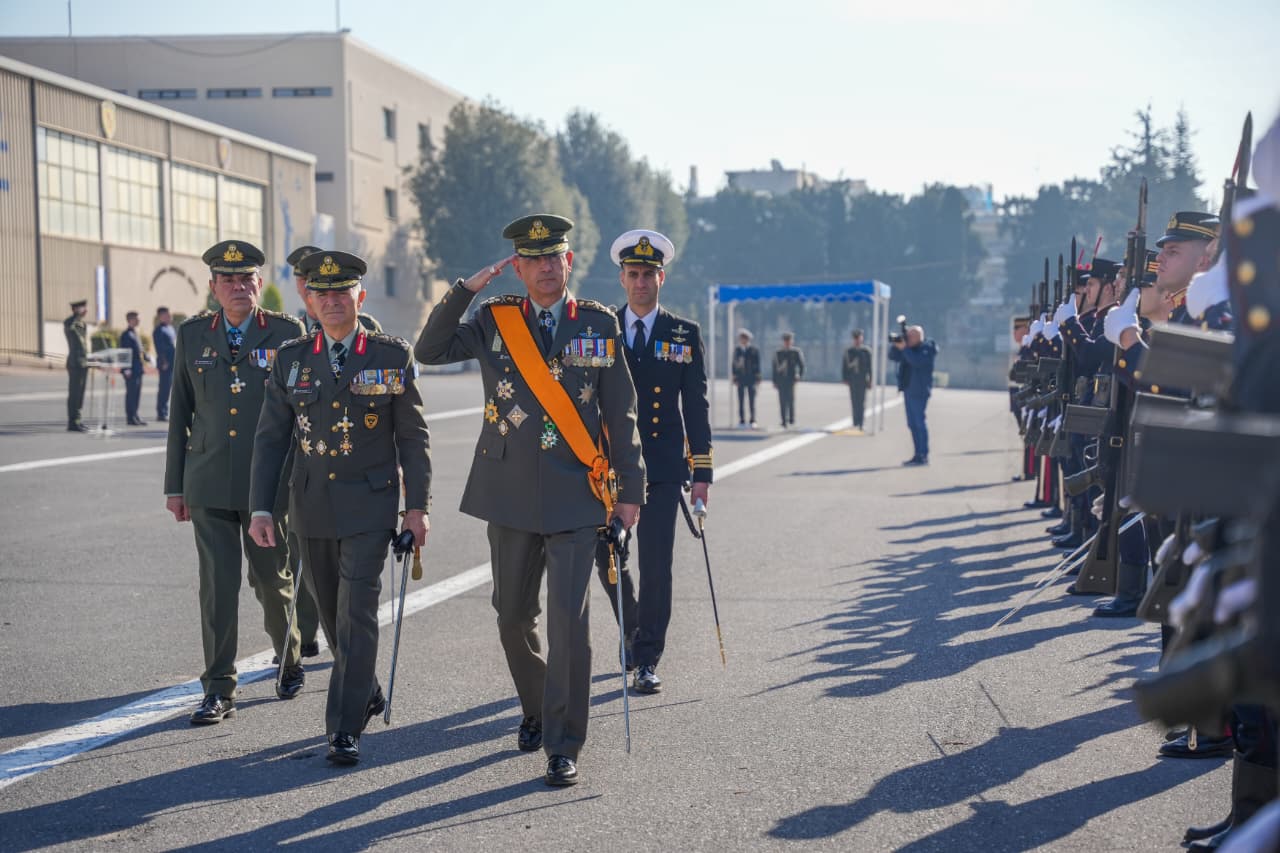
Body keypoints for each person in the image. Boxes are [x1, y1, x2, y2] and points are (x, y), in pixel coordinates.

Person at [415, 213, 645, 788]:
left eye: (554, 257)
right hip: (509, 491)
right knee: (513, 617)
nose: (545, 267)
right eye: (533, 259)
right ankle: (539, 706)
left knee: (570, 622)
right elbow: (430, 349)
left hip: (577, 496)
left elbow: (621, 409)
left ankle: (564, 743)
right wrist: (466, 290)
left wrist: (630, 493)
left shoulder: (597, 323)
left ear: (570, 263)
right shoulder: (494, 320)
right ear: (516, 268)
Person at [249, 250, 430, 766]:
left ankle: (344, 727)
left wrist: (417, 508)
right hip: (311, 506)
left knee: (355, 612)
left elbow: (413, 438)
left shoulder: (391, 355)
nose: (331, 302)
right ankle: (365, 687)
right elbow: (270, 440)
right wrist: (262, 508)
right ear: (309, 299)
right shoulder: (292, 359)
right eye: (321, 293)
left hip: (371, 506)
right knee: (331, 617)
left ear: (360, 297)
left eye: (341, 292)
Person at [163, 240, 306, 726]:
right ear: (213, 288)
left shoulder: (288, 333)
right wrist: (174, 486)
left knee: (270, 580)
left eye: (246, 279)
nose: (238, 288)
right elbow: (179, 410)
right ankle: (218, 688)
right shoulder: (193, 335)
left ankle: (288, 655)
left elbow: (301, 413)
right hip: (207, 480)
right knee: (217, 588)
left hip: (267, 485)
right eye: (228, 280)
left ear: (259, 285)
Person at [593, 229, 712, 695]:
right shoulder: (599, 329)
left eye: (648, 274)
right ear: (622, 279)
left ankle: (646, 657)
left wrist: (701, 473)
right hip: (607, 466)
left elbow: (696, 407)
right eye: (633, 274)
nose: (641, 282)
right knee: (606, 555)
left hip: (662, 467)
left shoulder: (683, 334)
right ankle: (633, 623)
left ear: (661, 278)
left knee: (656, 565)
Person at [288, 245, 383, 334]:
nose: (307, 286)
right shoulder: (288, 331)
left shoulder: (368, 326)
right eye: (304, 279)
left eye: (341, 292)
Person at [888, 325, 938, 465]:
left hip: (919, 391)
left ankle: (923, 454)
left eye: (910, 336)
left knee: (919, 422)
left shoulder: (927, 348)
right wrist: (897, 344)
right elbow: (892, 356)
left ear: (918, 337)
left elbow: (917, 361)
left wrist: (905, 348)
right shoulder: (908, 349)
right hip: (908, 389)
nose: (907, 339)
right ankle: (917, 454)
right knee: (912, 424)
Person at [64, 299, 90, 432]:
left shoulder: (82, 323)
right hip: (75, 363)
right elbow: (72, 329)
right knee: (74, 394)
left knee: (80, 394)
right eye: (82, 308)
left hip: (83, 363)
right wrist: (77, 315)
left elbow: (84, 345)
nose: (85, 310)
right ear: (75, 309)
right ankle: (72, 422)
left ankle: (78, 420)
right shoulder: (70, 322)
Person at [119, 311, 147, 426]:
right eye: (136, 319)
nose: (138, 320)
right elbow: (124, 353)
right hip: (131, 369)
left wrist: (147, 357)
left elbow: (139, 350)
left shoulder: (135, 333)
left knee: (136, 393)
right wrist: (126, 369)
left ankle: (135, 415)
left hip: (138, 368)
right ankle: (130, 417)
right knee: (131, 393)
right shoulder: (126, 335)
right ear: (130, 320)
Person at [842, 329, 873, 430]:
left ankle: (861, 422)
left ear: (861, 338)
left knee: (862, 401)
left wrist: (871, 379)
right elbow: (845, 366)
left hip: (863, 379)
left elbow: (870, 367)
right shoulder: (849, 351)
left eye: (858, 338)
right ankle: (855, 421)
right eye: (855, 338)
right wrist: (845, 378)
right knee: (854, 401)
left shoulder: (866, 351)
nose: (857, 340)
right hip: (852, 379)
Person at [772, 332, 805, 427]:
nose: (787, 342)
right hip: (781, 380)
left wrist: (799, 375)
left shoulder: (795, 352)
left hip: (791, 379)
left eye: (789, 340)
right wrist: (774, 381)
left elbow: (802, 365)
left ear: (792, 341)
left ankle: (791, 419)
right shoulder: (778, 353)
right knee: (782, 400)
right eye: (785, 341)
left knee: (790, 399)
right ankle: (783, 420)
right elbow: (774, 368)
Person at [731, 329, 761, 428]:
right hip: (741, 378)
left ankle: (752, 419)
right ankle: (742, 420)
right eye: (742, 338)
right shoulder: (737, 350)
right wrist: (734, 377)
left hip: (751, 378)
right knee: (741, 400)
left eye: (745, 338)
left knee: (752, 400)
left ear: (748, 339)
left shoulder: (754, 350)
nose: (743, 340)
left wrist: (758, 377)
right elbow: (734, 364)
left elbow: (757, 365)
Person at [153, 306, 176, 422]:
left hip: (173, 362)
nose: (169, 317)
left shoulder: (170, 328)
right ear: (160, 317)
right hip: (165, 364)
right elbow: (159, 348)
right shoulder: (159, 330)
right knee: (164, 388)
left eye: (169, 315)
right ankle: (161, 413)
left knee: (169, 389)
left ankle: (165, 410)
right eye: (166, 315)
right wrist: (164, 361)